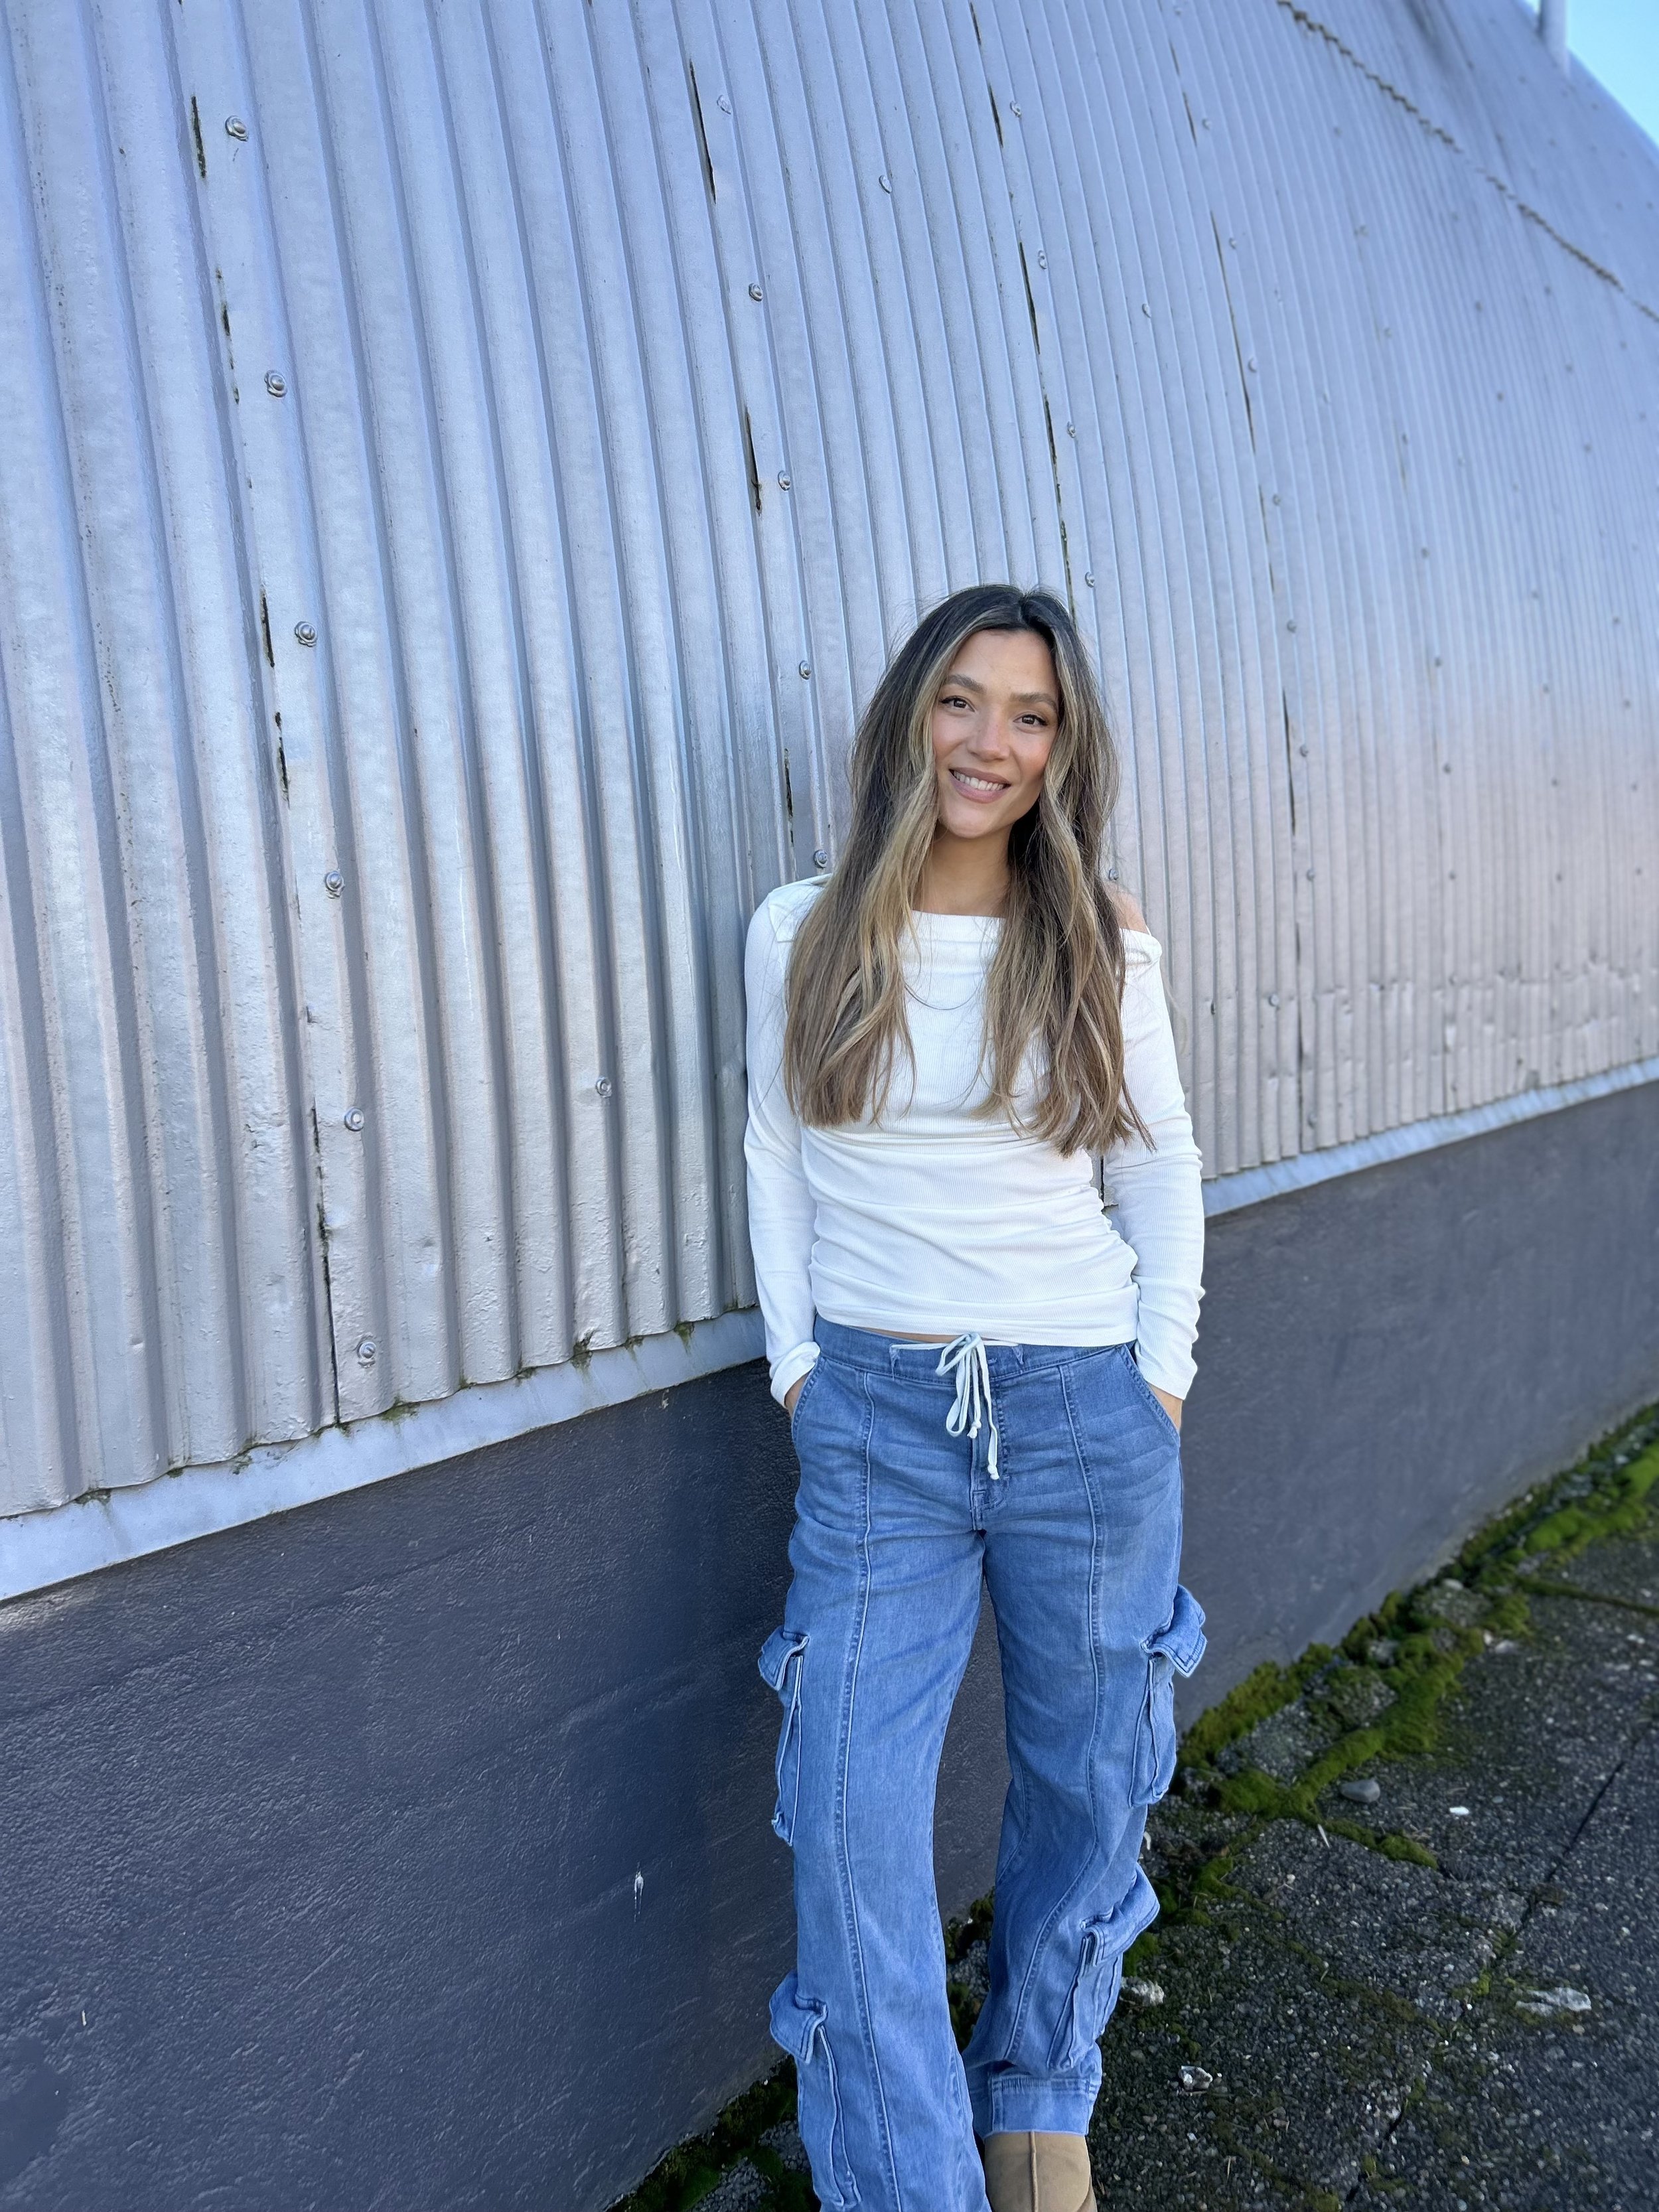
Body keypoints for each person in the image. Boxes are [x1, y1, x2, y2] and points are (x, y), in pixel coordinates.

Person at [743, 583, 1207, 2212]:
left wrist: (1158, 1380)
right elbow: (775, 1153)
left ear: (1061, 746)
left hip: (1083, 1407)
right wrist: (799, 1369)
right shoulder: (803, 927)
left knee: (1090, 1780)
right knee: (848, 1816)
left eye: (1028, 714)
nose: (988, 741)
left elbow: (1157, 1161)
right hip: (874, 1422)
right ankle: (906, 2178)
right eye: (961, 700)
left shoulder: (1094, 932)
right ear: (908, 716)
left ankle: (1036, 2096)